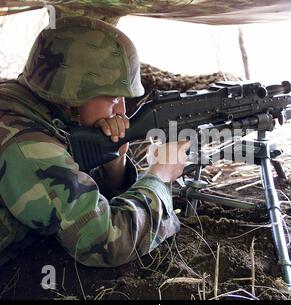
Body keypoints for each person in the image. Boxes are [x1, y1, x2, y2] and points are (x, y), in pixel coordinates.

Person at [0, 16, 190, 267]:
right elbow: (105, 242)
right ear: (71, 96)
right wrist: (160, 176)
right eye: (113, 99)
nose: (121, 110)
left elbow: (78, 193)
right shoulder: (27, 146)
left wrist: (115, 160)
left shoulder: (24, 103)